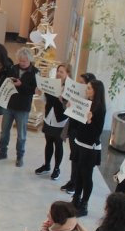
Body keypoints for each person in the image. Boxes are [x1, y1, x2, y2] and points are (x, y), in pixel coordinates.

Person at [0, 48, 37, 167]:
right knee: (4, 131)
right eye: (20, 61)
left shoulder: (35, 72)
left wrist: (21, 85)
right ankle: (2, 152)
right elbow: (6, 82)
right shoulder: (13, 68)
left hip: (23, 107)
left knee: (21, 135)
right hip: (9, 104)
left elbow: (33, 90)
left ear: (30, 60)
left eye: (25, 61)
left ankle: (20, 156)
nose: (22, 63)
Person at [70, 79, 107, 216]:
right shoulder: (86, 103)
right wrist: (71, 109)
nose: (87, 90)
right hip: (80, 143)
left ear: (96, 91)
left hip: (90, 147)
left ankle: (84, 204)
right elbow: (77, 122)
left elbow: (97, 132)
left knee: (86, 177)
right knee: (78, 174)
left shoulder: (100, 108)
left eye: (89, 88)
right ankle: (76, 199)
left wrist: (90, 121)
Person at [59, 72, 96, 194]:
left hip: (82, 134)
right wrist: (68, 104)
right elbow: (69, 111)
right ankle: (72, 180)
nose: (79, 85)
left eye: (82, 83)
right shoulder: (77, 97)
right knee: (74, 157)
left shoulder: (92, 102)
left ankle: (76, 184)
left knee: (78, 160)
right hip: (73, 128)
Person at [34, 64, 69, 180]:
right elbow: (44, 99)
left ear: (67, 74)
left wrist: (63, 100)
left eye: (62, 72)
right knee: (48, 142)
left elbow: (70, 108)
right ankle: (47, 165)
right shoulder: (52, 84)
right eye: (58, 71)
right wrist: (40, 93)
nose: (59, 73)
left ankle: (57, 168)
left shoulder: (69, 88)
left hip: (60, 121)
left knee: (58, 144)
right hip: (49, 118)